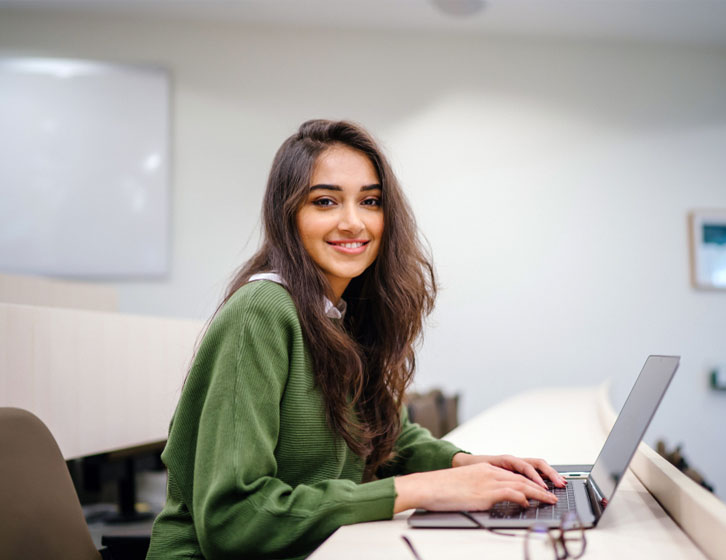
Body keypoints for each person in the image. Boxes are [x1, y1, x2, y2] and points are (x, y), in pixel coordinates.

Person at [146, 119, 566, 560]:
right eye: (325, 201)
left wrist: (465, 465)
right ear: (287, 215)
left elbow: (386, 436)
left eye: (370, 201)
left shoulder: (340, 312)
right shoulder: (262, 312)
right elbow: (235, 520)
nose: (353, 222)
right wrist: (420, 489)